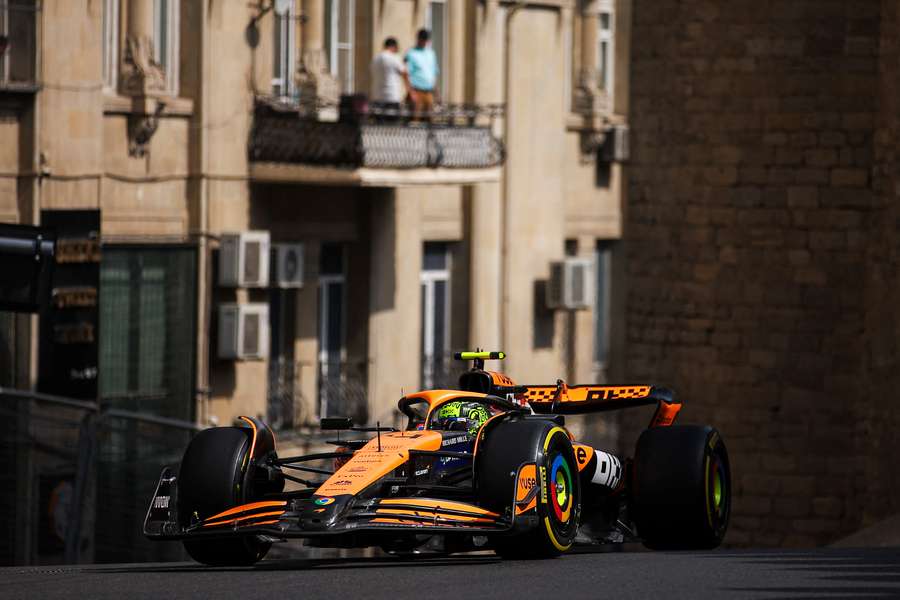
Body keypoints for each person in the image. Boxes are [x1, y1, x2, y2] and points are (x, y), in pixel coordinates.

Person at [369, 37, 409, 119]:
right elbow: (404, 73)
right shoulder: (394, 57)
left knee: (377, 128)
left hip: (377, 96)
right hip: (392, 97)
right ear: (394, 46)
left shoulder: (375, 59)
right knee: (391, 127)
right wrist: (409, 90)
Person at [404, 28, 439, 115]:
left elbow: (434, 72)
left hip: (429, 91)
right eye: (422, 39)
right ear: (418, 39)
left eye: (426, 39)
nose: (424, 42)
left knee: (429, 119)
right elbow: (406, 73)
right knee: (415, 120)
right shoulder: (410, 53)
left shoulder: (431, 53)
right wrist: (411, 92)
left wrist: (436, 92)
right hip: (416, 91)